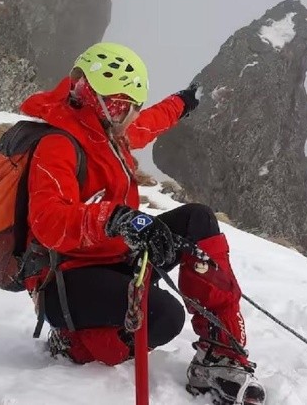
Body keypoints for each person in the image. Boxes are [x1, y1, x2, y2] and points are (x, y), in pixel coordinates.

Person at [19, 42, 265, 404]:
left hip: (115, 255)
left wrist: (183, 102)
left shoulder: (108, 130)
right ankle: (75, 343)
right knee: (163, 316)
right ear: (86, 92)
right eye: (116, 104)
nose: (125, 114)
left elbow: (148, 123)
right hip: (67, 277)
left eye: (126, 107)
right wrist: (117, 218)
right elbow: (48, 221)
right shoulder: (58, 142)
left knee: (196, 219)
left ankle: (221, 355)